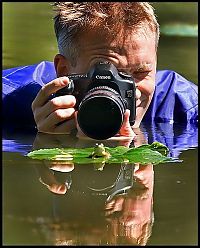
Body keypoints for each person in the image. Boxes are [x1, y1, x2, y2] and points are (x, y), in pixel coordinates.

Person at [2, 2, 198, 141]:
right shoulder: (9, 102)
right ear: (64, 71)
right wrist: (47, 141)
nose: (134, 91)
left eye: (141, 73)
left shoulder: (184, 107)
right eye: (109, 74)